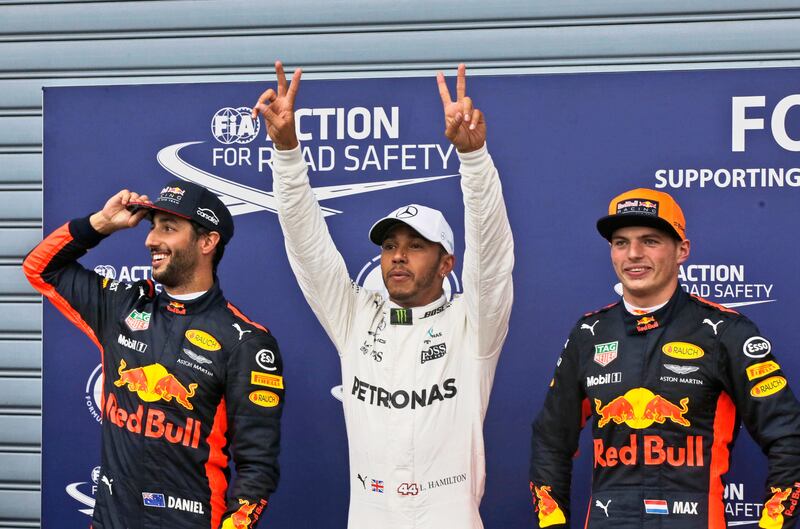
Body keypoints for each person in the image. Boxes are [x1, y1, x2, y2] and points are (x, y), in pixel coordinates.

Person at [252, 61, 513, 528]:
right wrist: (287, 152)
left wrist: (473, 161)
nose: (398, 256)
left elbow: (491, 257)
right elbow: (308, 246)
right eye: (390, 245)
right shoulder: (355, 316)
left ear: (447, 263)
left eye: (416, 247)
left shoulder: (472, 326)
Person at [529, 188, 800, 528]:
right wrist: (551, 522)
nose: (634, 254)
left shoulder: (725, 331)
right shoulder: (589, 334)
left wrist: (775, 521)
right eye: (621, 242)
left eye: (651, 241)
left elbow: (788, 437)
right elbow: (551, 438)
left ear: (682, 250)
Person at [23, 181, 284, 528]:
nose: (150, 240)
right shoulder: (121, 306)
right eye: (153, 226)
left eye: (169, 228)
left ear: (207, 242)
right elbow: (40, 268)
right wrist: (102, 222)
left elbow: (257, 468)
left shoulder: (246, 342)